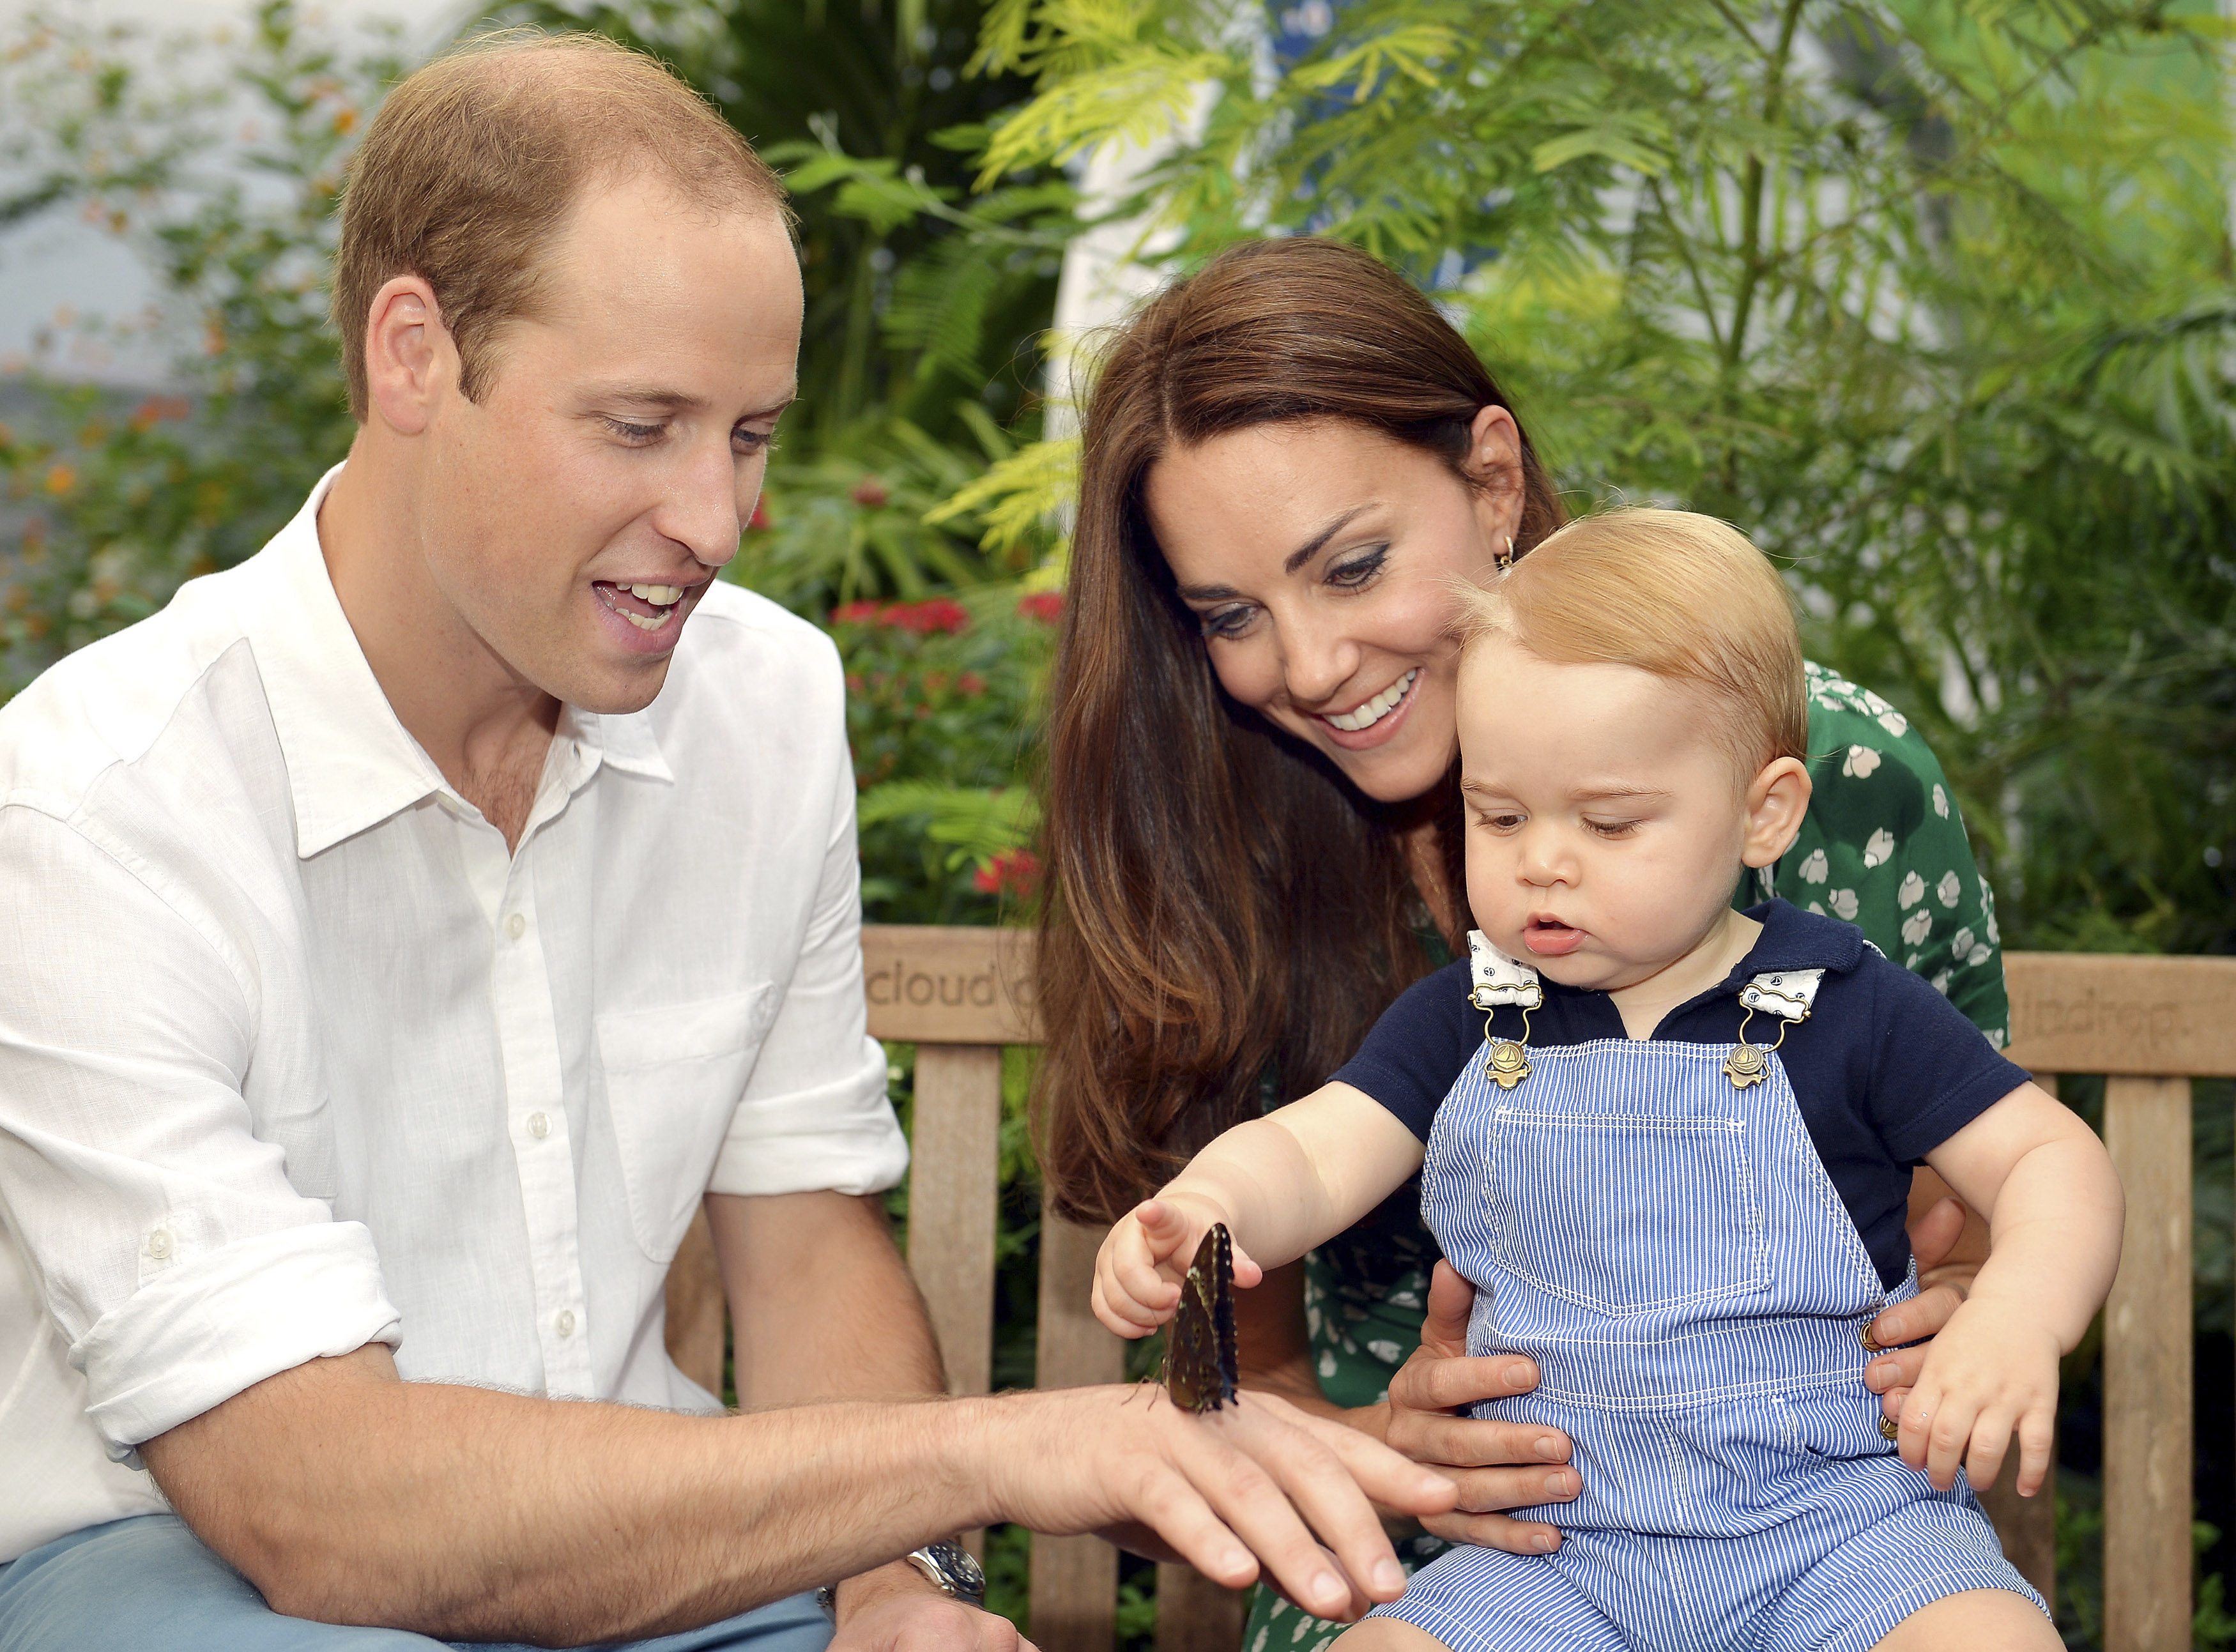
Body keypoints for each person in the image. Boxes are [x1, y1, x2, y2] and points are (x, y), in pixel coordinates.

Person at [0, 36, 1459, 1652]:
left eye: (750, 434)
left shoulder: (761, 702)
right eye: (642, 427)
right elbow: (313, 1514)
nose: (718, 520)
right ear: (413, 355)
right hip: (186, 1576)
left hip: (681, 1560)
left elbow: (801, 1231)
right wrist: (988, 1449)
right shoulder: (95, 805)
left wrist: (898, 1584)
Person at [1030, 237, 2025, 1650]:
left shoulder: (1820, 777)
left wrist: (1979, 1313)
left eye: (1353, 566)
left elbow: (1994, 1214)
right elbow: (1209, 1416)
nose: (1307, 667)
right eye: (1232, 617)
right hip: (1454, 1568)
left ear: (1491, 481)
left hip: (1820, 1535)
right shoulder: (1217, 859)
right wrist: (1385, 1446)